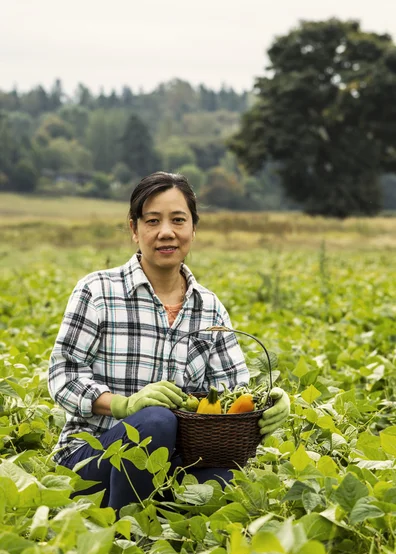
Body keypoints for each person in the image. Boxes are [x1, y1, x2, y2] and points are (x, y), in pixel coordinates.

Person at [48, 171, 290, 512]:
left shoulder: (210, 309)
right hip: (91, 457)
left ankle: (145, 505)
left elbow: (232, 398)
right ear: (134, 229)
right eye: (152, 221)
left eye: (178, 220)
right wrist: (124, 405)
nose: (166, 232)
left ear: (193, 229)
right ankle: (126, 533)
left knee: (228, 480)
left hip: (175, 461)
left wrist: (266, 403)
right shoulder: (98, 291)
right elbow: (63, 376)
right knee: (156, 420)